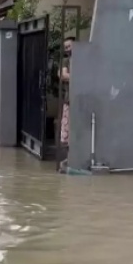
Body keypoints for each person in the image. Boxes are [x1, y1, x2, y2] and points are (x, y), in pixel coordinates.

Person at [58, 36, 74, 170]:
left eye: (70, 46)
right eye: (66, 47)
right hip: (69, 100)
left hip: (81, 100)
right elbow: (63, 75)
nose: (68, 49)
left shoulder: (84, 59)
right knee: (67, 131)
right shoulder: (65, 61)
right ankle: (69, 157)